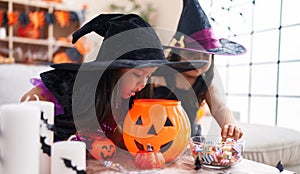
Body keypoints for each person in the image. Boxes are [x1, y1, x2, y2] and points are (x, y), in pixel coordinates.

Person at [20, 13, 207, 149]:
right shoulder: (70, 86)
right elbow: (28, 101)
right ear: (114, 69)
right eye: (137, 75)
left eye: (148, 76)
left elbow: (120, 137)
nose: (143, 84)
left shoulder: (126, 100)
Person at [152, 0, 247, 141]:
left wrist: (230, 124)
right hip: (156, 138)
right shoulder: (161, 77)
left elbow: (220, 107)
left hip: (189, 139)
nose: (200, 61)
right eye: (192, 54)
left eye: (206, 56)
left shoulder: (205, 84)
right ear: (177, 54)